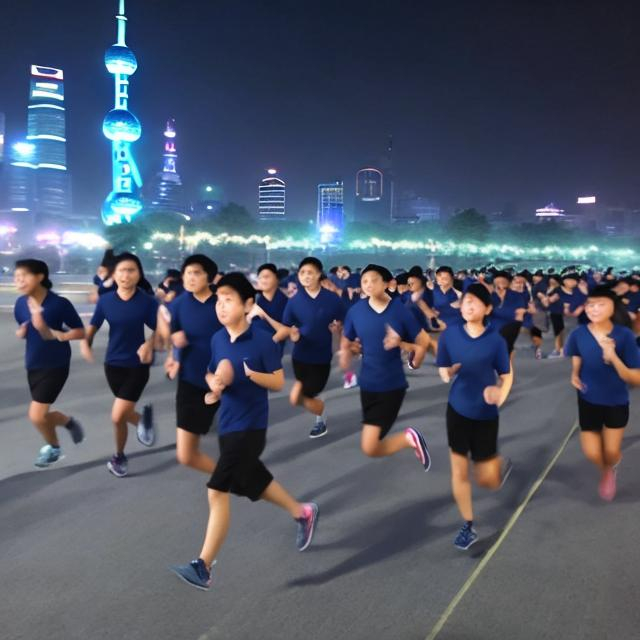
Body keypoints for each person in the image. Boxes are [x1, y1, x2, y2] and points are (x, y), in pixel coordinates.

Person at [170, 273, 319, 590]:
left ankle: (203, 566)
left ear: (248, 304)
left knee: (217, 490)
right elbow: (213, 370)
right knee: (255, 480)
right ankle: (302, 512)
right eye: (219, 300)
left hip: (251, 427)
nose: (221, 307)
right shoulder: (218, 338)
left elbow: (278, 381)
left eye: (229, 300)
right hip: (228, 423)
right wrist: (214, 386)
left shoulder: (262, 340)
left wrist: (252, 375)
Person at [437, 284, 513, 550]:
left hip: (485, 414)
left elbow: (506, 374)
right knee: (459, 471)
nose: (469, 306)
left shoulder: (496, 340)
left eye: (475, 302)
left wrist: (499, 393)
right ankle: (467, 525)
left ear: (487, 309)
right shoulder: (450, 335)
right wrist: (449, 373)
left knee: (487, 480)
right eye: (466, 301)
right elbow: (444, 372)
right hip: (457, 409)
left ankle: (499, 464)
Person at [339, 264, 432, 468]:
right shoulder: (356, 311)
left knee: (369, 446)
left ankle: (409, 438)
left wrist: (409, 354)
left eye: (374, 280)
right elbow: (346, 340)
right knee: (371, 446)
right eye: (364, 281)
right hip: (367, 384)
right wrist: (346, 354)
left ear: (387, 284)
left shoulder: (401, 311)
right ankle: (408, 439)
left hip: (391, 385)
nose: (369, 284)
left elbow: (423, 342)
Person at [81, 253, 159, 477]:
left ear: (139, 274)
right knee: (124, 412)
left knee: (117, 416)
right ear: (113, 275)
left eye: (131, 270)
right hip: (113, 364)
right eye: (121, 271)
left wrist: (149, 343)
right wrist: (86, 343)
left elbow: (161, 329)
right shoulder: (106, 301)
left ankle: (118, 457)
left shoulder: (146, 302)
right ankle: (143, 421)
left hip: (137, 364)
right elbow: (94, 325)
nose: (126, 275)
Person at [565, 286, 640, 501]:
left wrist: (613, 357)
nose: (594, 309)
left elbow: (635, 378)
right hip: (588, 399)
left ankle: (611, 465)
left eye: (601, 304)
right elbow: (577, 354)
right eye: (590, 305)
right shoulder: (578, 333)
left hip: (616, 401)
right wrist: (575, 373)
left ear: (613, 307)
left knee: (611, 452)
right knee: (592, 453)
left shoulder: (624, 336)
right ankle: (606, 470)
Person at [13, 259, 86, 467]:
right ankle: (67, 422)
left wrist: (55, 333)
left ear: (40, 277)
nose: (19, 281)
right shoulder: (20, 303)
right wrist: (23, 331)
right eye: (16, 277)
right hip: (33, 363)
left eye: (23, 276)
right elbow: (25, 326)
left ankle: (54, 449)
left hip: (56, 365)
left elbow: (80, 331)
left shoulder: (59, 304)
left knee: (36, 415)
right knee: (42, 414)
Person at [278, 257, 346, 438]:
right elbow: (286, 325)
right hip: (300, 354)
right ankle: (320, 418)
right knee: (309, 392)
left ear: (318, 275)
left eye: (310, 272)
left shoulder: (332, 299)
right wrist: (292, 333)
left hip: (322, 354)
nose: (306, 276)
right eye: (302, 273)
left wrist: (338, 329)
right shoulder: (294, 301)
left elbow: (343, 319)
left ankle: (320, 419)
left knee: (311, 390)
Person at [168, 255, 222, 474]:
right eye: (188, 273)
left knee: (239, 442)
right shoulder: (178, 304)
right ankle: (227, 477)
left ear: (210, 277)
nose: (191, 277)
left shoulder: (223, 303)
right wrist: (174, 353)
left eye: (197, 273)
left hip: (224, 380)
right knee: (186, 454)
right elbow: (174, 333)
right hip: (190, 380)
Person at [248, 263, 289, 353]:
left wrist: (268, 345)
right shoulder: (255, 300)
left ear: (276, 279)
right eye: (260, 278)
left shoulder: (286, 302)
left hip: (274, 350)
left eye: (266, 277)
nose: (263, 280)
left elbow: (286, 331)